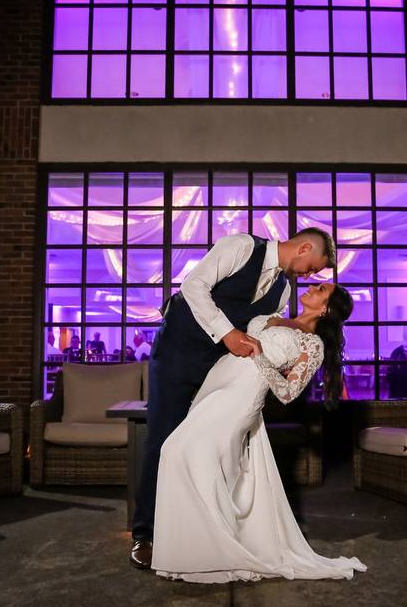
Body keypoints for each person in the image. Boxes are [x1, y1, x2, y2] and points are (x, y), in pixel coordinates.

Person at [129, 228, 336, 570]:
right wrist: (227, 333)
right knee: (164, 438)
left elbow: (263, 333)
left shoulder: (283, 291)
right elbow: (193, 287)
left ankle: (198, 529)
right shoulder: (241, 246)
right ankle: (146, 534)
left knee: (209, 449)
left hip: (222, 372)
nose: (310, 276)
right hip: (178, 353)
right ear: (303, 247)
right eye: (313, 267)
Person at [151, 282, 365, 582]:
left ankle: (214, 549)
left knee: (178, 451)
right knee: (196, 460)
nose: (312, 288)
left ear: (326, 308)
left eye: (320, 289)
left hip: (241, 399)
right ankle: (192, 549)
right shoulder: (275, 314)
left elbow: (289, 392)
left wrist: (260, 357)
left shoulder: (312, 344)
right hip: (215, 385)